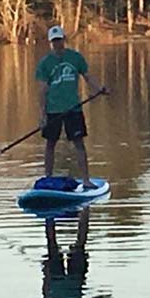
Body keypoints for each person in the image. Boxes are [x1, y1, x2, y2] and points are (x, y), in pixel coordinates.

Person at [36, 25, 107, 190]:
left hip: (73, 108)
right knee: (50, 144)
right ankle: (48, 178)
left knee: (79, 143)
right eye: (54, 41)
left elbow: (88, 77)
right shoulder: (45, 63)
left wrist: (99, 89)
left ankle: (86, 180)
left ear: (64, 40)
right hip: (53, 109)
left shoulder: (75, 58)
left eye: (59, 40)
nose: (57, 44)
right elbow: (42, 89)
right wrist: (42, 114)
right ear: (50, 43)